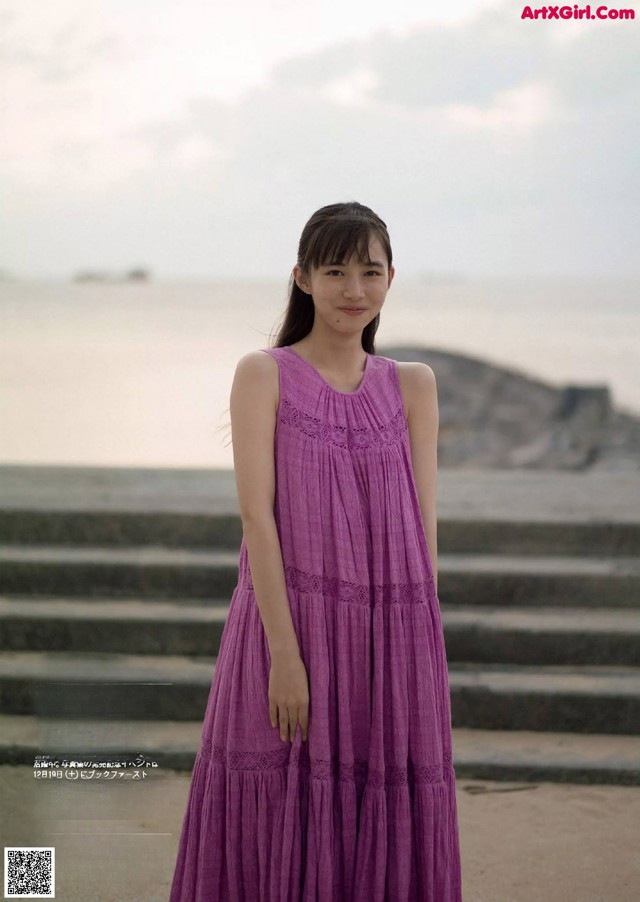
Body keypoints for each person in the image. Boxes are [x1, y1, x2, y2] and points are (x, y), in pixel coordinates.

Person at [169, 201, 463, 901]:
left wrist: (417, 660)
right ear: (302, 278)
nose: (353, 289)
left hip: (389, 639)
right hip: (288, 626)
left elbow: (423, 535)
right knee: (276, 800)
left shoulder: (412, 385)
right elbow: (256, 518)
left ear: (392, 278)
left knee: (382, 807)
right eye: (335, 270)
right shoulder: (263, 373)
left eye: (369, 271)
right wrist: (285, 655)